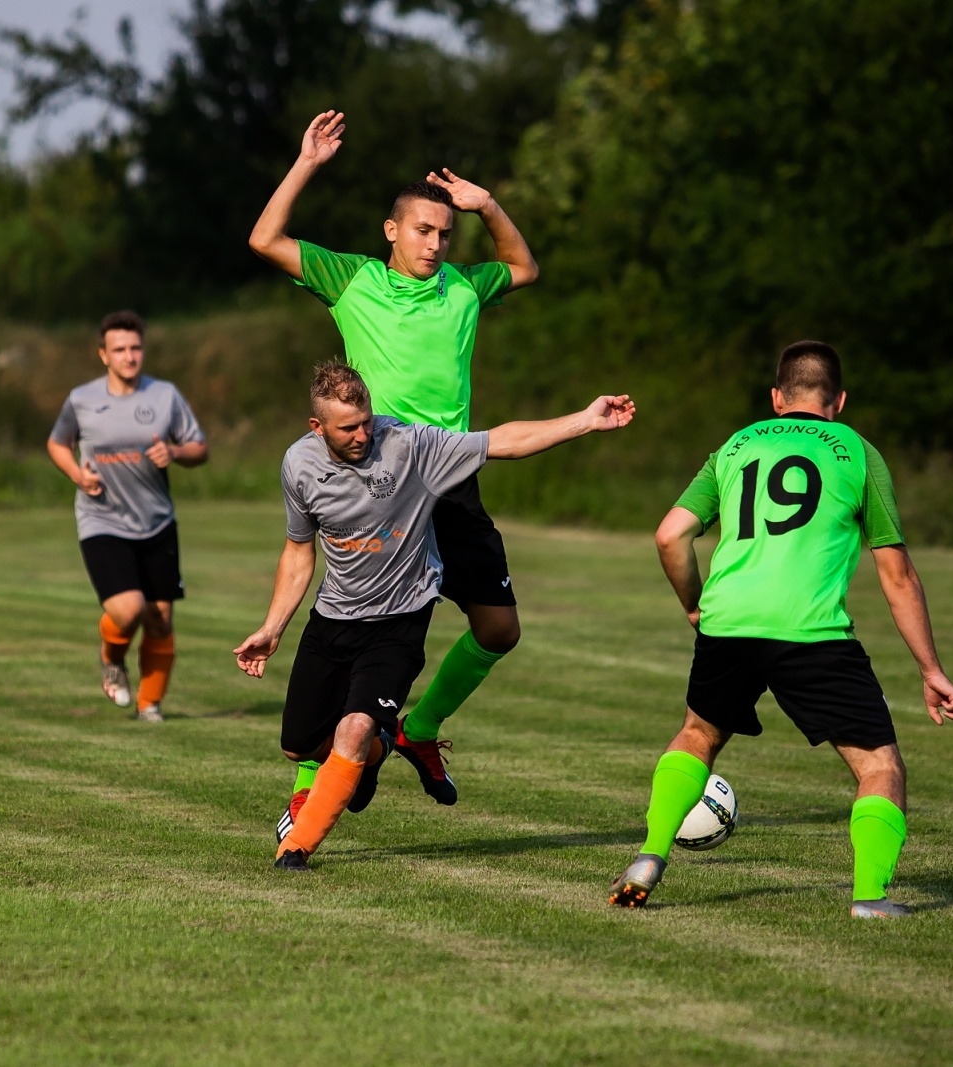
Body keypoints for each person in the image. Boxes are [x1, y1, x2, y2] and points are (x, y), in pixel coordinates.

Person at [248, 110, 541, 828]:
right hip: (374, 480)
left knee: (499, 628)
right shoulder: (351, 280)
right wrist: (307, 162)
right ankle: (307, 792)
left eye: (445, 233)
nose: (436, 244)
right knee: (351, 635)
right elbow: (264, 238)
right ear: (391, 231)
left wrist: (490, 206)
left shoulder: (466, 287)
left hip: (449, 478)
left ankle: (418, 727)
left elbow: (526, 268)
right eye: (423, 230)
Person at [609, 341, 953, 918]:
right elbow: (896, 573)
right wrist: (931, 669)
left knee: (698, 736)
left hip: (728, 625)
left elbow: (670, 535)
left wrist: (696, 605)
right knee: (879, 767)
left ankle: (651, 855)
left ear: (777, 398)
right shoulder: (856, 451)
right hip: (812, 633)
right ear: (840, 401)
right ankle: (870, 898)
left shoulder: (737, 444)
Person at [234, 363, 634, 871]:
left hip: (400, 621)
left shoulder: (409, 446)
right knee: (299, 748)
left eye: (365, 421)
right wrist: (272, 628)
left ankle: (297, 848)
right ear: (317, 428)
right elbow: (298, 551)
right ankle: (381, 748)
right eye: (347, 428)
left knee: (351, 730)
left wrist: (584, 419)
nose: (362, 435)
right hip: (333, 620)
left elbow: (500, 442)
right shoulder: (299, 465)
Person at [47, 311, 208, 723]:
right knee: (128, 609)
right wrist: (76, 475)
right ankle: (111, 658)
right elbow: (57, 443)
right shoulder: (82, 399)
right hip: (102, 520)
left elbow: (198, 448)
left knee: (160, 617)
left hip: (156, 521)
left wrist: (173, 452)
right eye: (119, 349)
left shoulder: (164, 396)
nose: (129, 356)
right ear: (103, 354)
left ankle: (149, 705)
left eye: (135, 348)